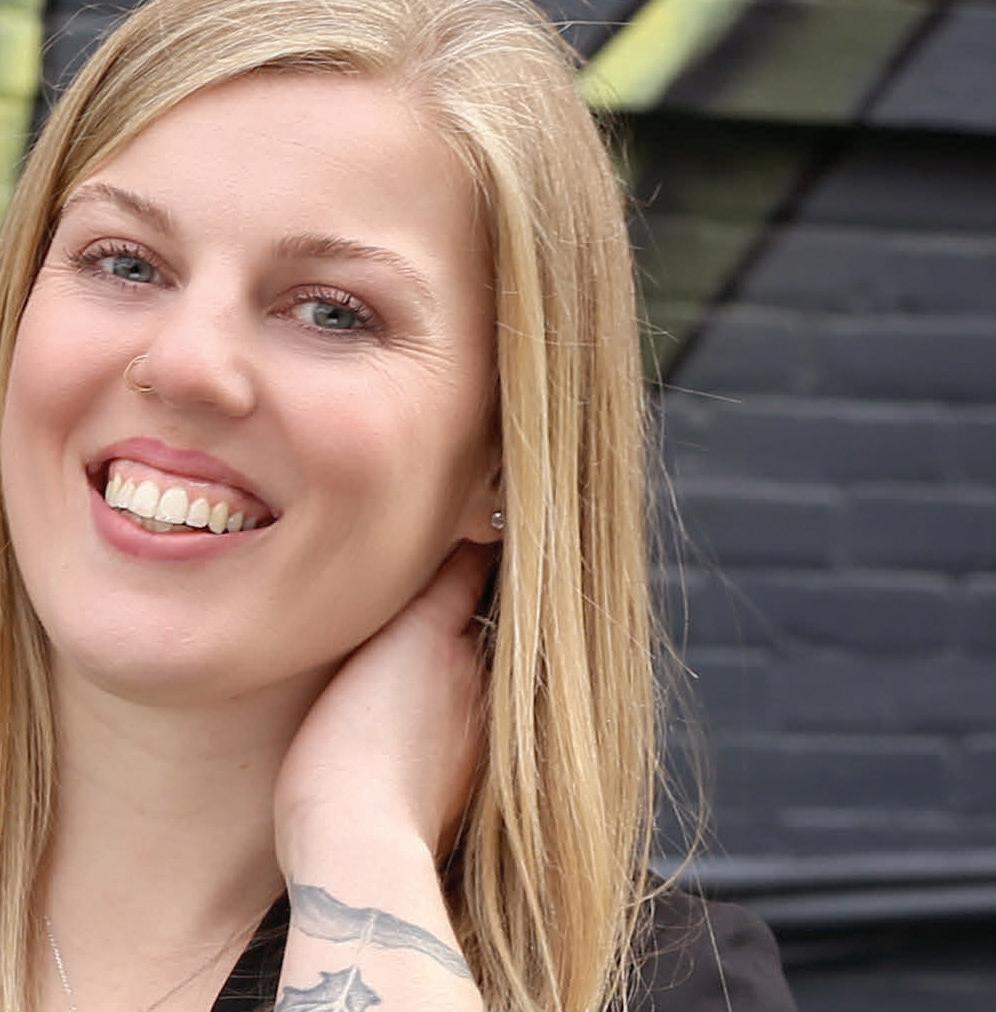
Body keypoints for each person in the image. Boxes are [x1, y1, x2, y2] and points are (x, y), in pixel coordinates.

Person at [0, 0, 797, 1009]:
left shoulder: (661, 987)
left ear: (501, 458)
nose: (188, 363)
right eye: (124, 262)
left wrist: (359, 839)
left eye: (334, 311)